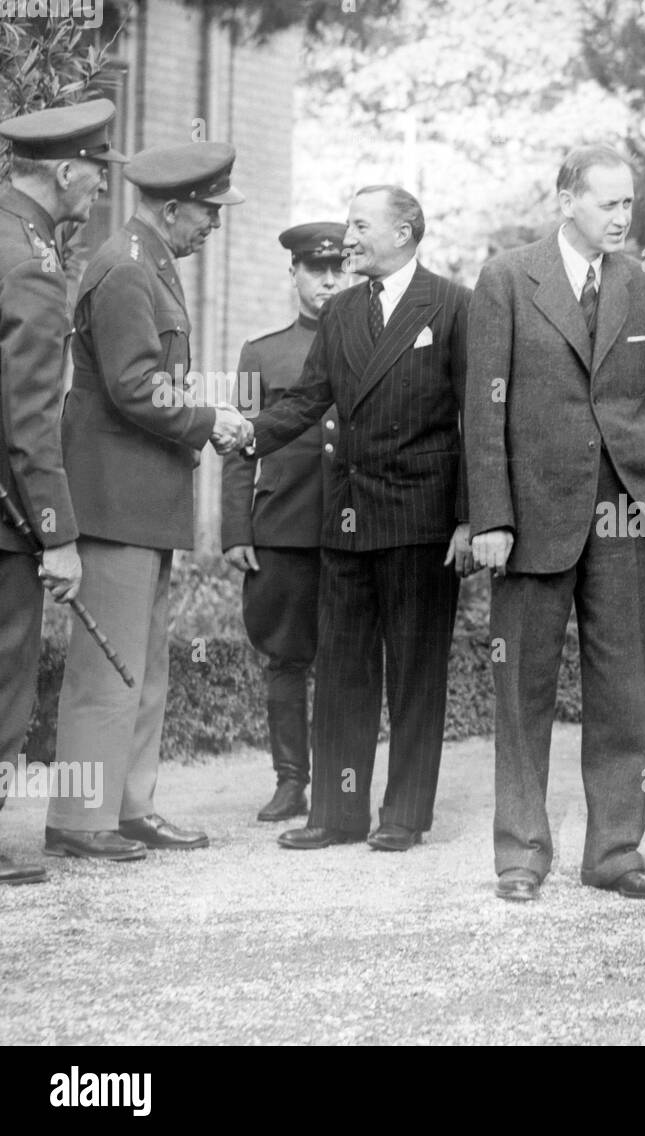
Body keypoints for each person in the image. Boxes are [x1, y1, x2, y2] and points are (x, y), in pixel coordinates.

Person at [466, 145, 645, 903]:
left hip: (625, 516)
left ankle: (617, 853)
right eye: (607, 203)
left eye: (629, 204)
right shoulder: (506, 278)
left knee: (624, 688)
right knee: (521, 689)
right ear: (567, 201)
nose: (622, 217)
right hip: (530, 518)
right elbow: (484, 406)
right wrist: (490, 515)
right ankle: (521, 853)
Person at [244, 186, 472, 853]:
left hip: (421, 520)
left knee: (414, 671)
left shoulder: (454, 305)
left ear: (405, 232)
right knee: (342, 669)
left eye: (360, 224)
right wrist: (248, 435)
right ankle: (338, 814)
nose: (348, 237)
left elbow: (477, 418)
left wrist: (470, 519)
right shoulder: (343, 312)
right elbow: (307, 401)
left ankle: (404, 814)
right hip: (345, 519)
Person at [46, 141, 248, 861]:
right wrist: (209, 419)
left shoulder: (145, 259)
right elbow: (135, 385)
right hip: (115, 502)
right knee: (109, 666)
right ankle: (80, 818)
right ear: (171, 207)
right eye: (208, 214)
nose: (213, 227)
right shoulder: (130, 267)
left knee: (142, 663)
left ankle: (127, 805)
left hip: (138, 500)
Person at [0, 100, 126, 882]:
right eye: (95, 176)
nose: (98, 193)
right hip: (9, 521)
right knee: (6, 674)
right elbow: (29, 418)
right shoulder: (32, 264)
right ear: (66, 170)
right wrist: (59, 534)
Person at [222, 223, 345, 821]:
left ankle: (338, 780)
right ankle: (290, 780)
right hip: (283, 525)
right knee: (285, 657)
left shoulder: (370, 341)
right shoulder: (261, 353)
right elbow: (239, 443)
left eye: (337, 269)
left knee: (345, 658)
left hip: (352, 526)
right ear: (292, 274)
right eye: (314, 270)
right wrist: (236, 530)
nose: (328, 280)